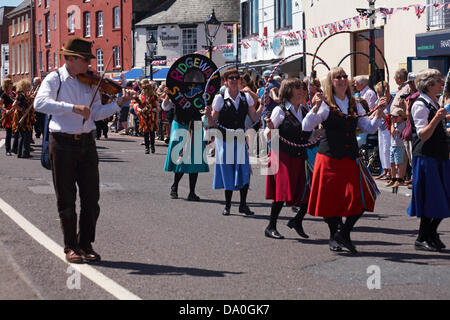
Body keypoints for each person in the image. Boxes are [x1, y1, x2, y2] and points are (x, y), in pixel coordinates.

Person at [34, 37, 135, 263]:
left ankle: (86, 243)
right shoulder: (54, 79)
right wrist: (72, 108)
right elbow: (39, 104)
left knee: (91, 197)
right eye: (85, 60)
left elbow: (96, 113)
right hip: (62, 143)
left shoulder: (90, 83)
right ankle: (71, 246)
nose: (89, 65)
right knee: (66, 198)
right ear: (69, 59)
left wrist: (117, 104)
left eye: (89, 60)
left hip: (87, 143)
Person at [303, 67, 387, 254]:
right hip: (329, 157)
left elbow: (370, 128)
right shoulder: (325, 104)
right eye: (337, 77)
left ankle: (345, 232)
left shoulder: (354, 104)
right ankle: (334, 236)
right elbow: (306, 126)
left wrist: (379, 112)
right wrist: (315, 107)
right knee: (331, 200)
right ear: (330, 82)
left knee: (363, 197)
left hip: (350, 158)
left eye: (344, 76)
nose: (341, 79)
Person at [208, 67, 264, 216]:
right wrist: (208, 114)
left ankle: (243, 205)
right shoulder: (220, 98)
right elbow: (213, 122)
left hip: (239, 137)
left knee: (244, 170)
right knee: (228, 171)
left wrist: (263, 105)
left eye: (237, 78)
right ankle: (227, 205)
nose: (234, 80)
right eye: (231, 78)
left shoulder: (246, 97)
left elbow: (254, 118)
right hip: (224, 139)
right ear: (225, 81)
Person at [263, 78, 313, 239]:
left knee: (306, 192)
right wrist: (270, 129)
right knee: (282, 192)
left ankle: (297, 220)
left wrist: (317, 133)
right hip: (281, 156)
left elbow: (308, 136)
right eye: (298, 87)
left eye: (302, 87)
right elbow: (267, 135)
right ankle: (271, 227)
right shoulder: (280, 110)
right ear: (288, 90)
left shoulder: (305, 111)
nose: (302, 90)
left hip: (299, 156)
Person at [407, 68, 449, 252]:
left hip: (439, 155)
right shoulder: (420, 104)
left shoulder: (433, 101)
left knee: (445, 196)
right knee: (431, 198)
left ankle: (430, 232)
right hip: (426, 157)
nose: (442, 83)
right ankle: (423, 236)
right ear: (429, 84)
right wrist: (437, 119)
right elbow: (422, 134)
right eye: (439, 80)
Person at [162, 85, 208, 201]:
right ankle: (175, 186)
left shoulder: (201, 89)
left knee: (195, 160)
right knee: (180, 158)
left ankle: (192, 192)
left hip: (196, 124)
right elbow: (165, 107)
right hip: (180, 124)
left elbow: (206, 105)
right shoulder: (177, 89)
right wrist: (168, 95)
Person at [131, 79, 160, 154]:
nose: (143, 90)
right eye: (143, 88)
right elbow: (138, 106)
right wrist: (140, 109)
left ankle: (152, 146)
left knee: (152, 132)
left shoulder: (153, 97)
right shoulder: (141, 96)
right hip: (143, 116)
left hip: (151, 116)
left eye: (145, 88)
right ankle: (147, 147)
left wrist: (153, 109)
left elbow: (158, 107)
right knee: (145, 132)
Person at [374, 81, 394, 180]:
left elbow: (393, 115)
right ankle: (385, 170)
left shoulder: (393, 101)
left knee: (387, 149)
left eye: (381, 93)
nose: (380, 95)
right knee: (382, 149)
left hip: (389, 128)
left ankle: (390, 171)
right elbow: (375, 112)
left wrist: (383, 115)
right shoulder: (379, 100)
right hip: (381, 127)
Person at [12, 79, 34, 158]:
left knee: (23, 136)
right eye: (28, 86)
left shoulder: (23, 95)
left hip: (24, 118)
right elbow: (14, 105)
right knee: (25, 135)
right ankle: (24, 153)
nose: (29, 87)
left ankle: (21, 153)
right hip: (22, 118)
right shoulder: (20, 95)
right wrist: (23, 110)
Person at [386, 107, 406, 188]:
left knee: (399, 164)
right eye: (392, 117)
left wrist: (392, 124)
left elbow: (394, 132)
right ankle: (393, 178)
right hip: (393, 145)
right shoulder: (394, 124)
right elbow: (391, 132)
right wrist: (392, 124)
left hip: (399, 146)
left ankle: (400, 179)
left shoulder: (402, 124)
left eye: (395, 116)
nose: (393, 118)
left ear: (401, 116)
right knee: (392, 163)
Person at [0, 78, 17, 156]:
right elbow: (0, 104)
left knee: (17, 132)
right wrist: (5, 110)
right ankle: (7, 150)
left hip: (15, 114)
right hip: (8, 115)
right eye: (10, 83)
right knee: (9, 133)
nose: (12, 84)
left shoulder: (13, 93)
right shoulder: (4, 94)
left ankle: (15, 148)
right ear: (7, 85)